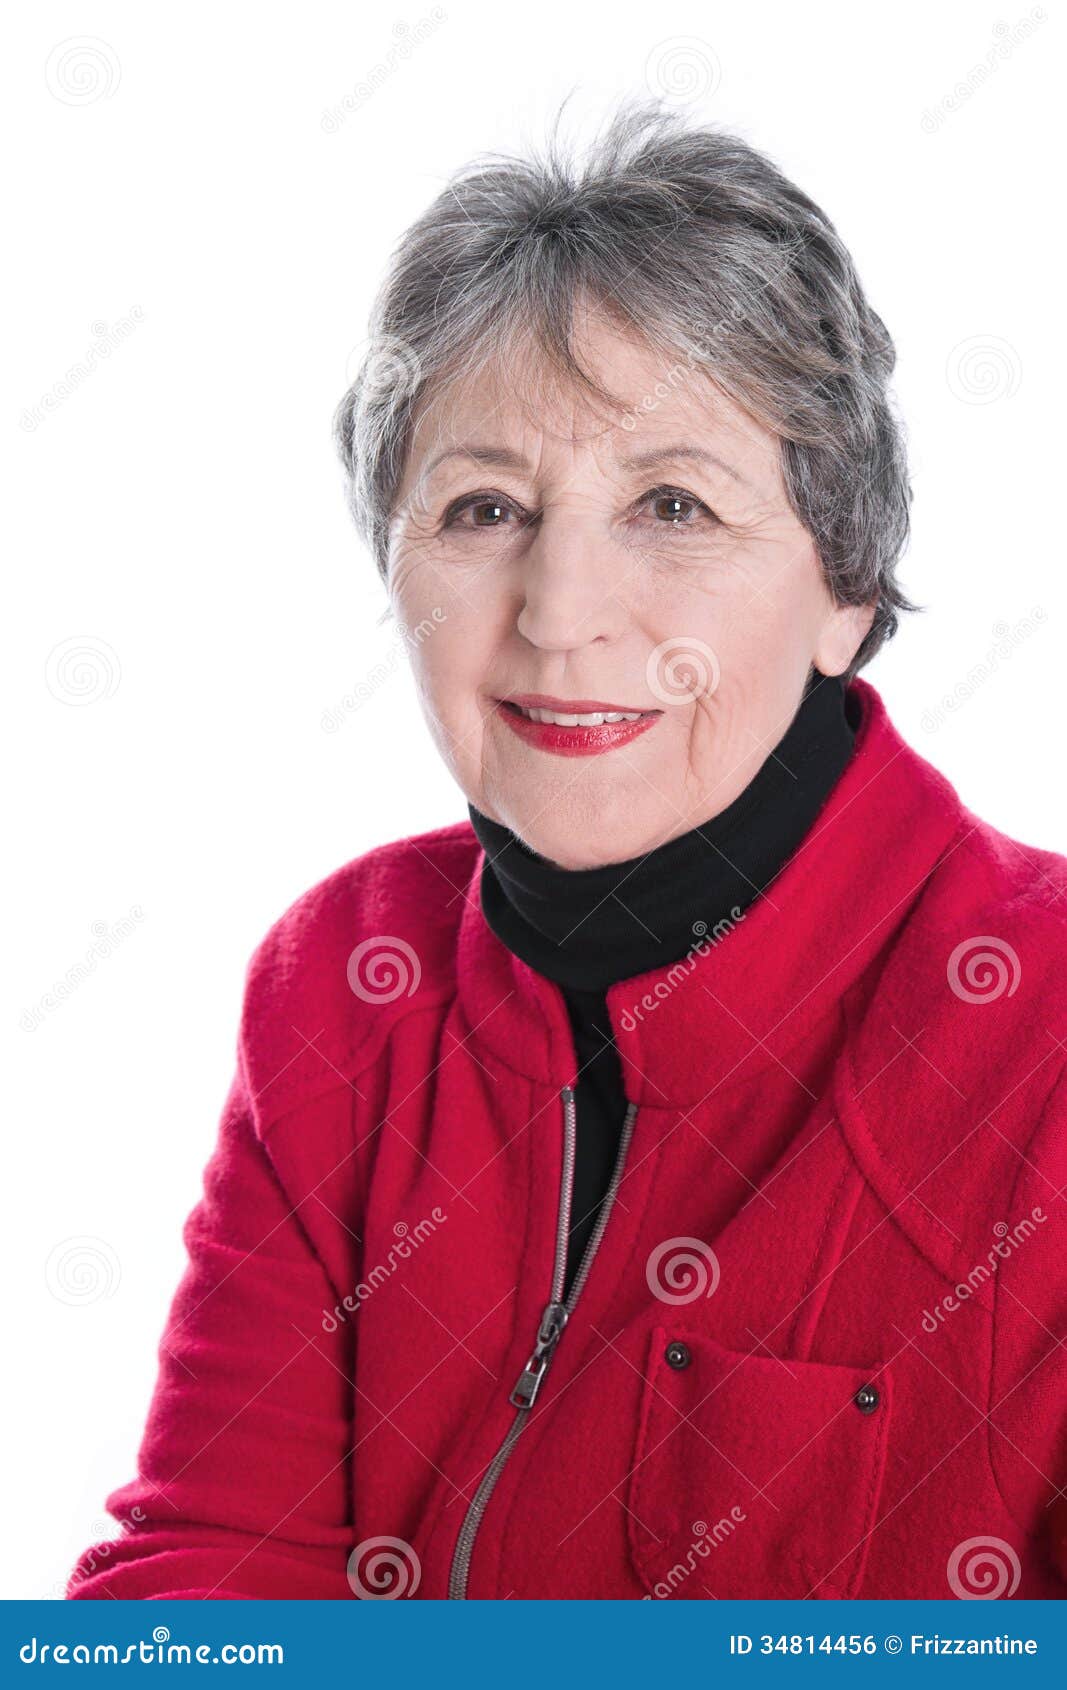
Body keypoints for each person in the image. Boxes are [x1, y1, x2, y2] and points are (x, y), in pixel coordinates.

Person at [68, 97, 1066, 1602]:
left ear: (848, 583)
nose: (557, 611)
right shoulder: (343, 980)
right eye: (484, 508)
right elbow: (211, 1578)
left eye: (673, 503)